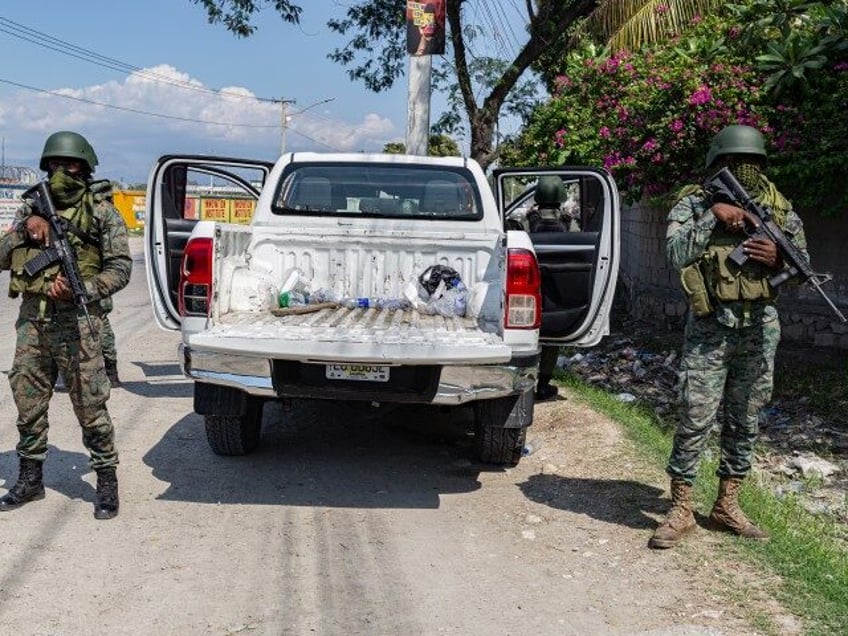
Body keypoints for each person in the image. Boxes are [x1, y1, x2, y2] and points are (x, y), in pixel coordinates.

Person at [649, 125, 808, 549]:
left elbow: (802, 269)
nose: (747, 169)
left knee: (746, 418)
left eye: (754, 163)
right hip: (709, 329)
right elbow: (676, 254)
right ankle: (681, 508)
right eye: (738, 163)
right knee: (695, 416)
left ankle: (726, 505)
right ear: (718, 166)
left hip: (758, 330)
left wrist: (777, 258)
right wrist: (710, 215)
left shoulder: (777, 208)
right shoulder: (693, 203)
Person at [0, 130, 132, 520]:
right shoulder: (28, 212)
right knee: (28, 403)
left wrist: (84, 289)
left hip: (78, 323)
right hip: (33, 324)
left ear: (85, 168)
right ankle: (30, 478)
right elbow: (1, 257)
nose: (61, 172)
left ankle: (106, 479)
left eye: (69, 165)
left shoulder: (103, 212)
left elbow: (121, 267)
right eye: (54, 165)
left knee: (91, 406)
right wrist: (26, 230)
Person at [528, 176, 570, 401]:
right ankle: (543, 384)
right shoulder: (567, 223)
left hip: (530, 285)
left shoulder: (529, 221)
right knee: (551, 338)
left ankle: (523, 379)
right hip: (556, 288)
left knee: (526, 333)